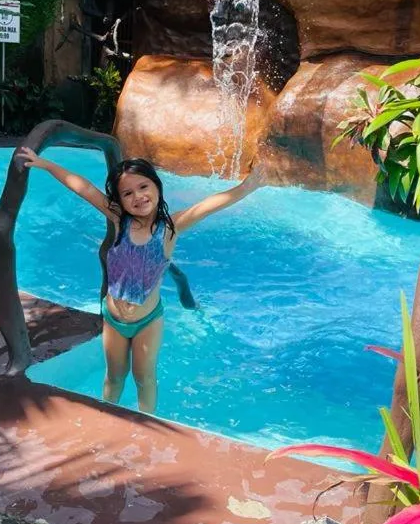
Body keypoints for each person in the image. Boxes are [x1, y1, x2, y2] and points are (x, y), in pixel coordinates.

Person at [15, 147, 266, 413]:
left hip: (148, 321)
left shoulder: (171, 227)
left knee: (143, 378)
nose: (138, 196)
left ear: (157, 186)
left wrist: (247, 186)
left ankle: (147, 421)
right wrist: (45, 164)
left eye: (143, 186)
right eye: (127, 193)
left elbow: (209, 205)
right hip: (114, 319)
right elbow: (83, 187)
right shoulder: (118, 219)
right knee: (114, 376)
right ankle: (106, 414)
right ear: (120, 200)